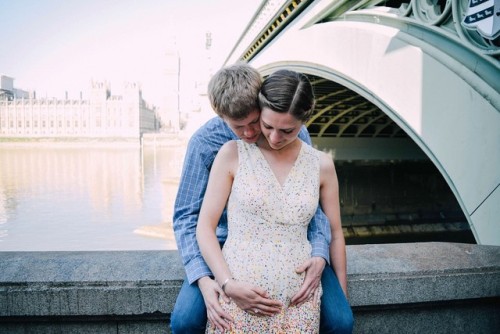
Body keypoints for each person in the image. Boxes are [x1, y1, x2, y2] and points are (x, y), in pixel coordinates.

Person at [171, 63, 353, 333]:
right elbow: (187, 217)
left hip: (292, 246)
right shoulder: (206, 144)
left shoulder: (287, 129)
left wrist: (318, 253)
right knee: (185, 322)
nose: (251, 133)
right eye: (238, 126)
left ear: (262, 103)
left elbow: (308, 201)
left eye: (256, 122)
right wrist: (205, 278)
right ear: (222, 117)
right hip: (222, 246)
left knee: (340, 321)